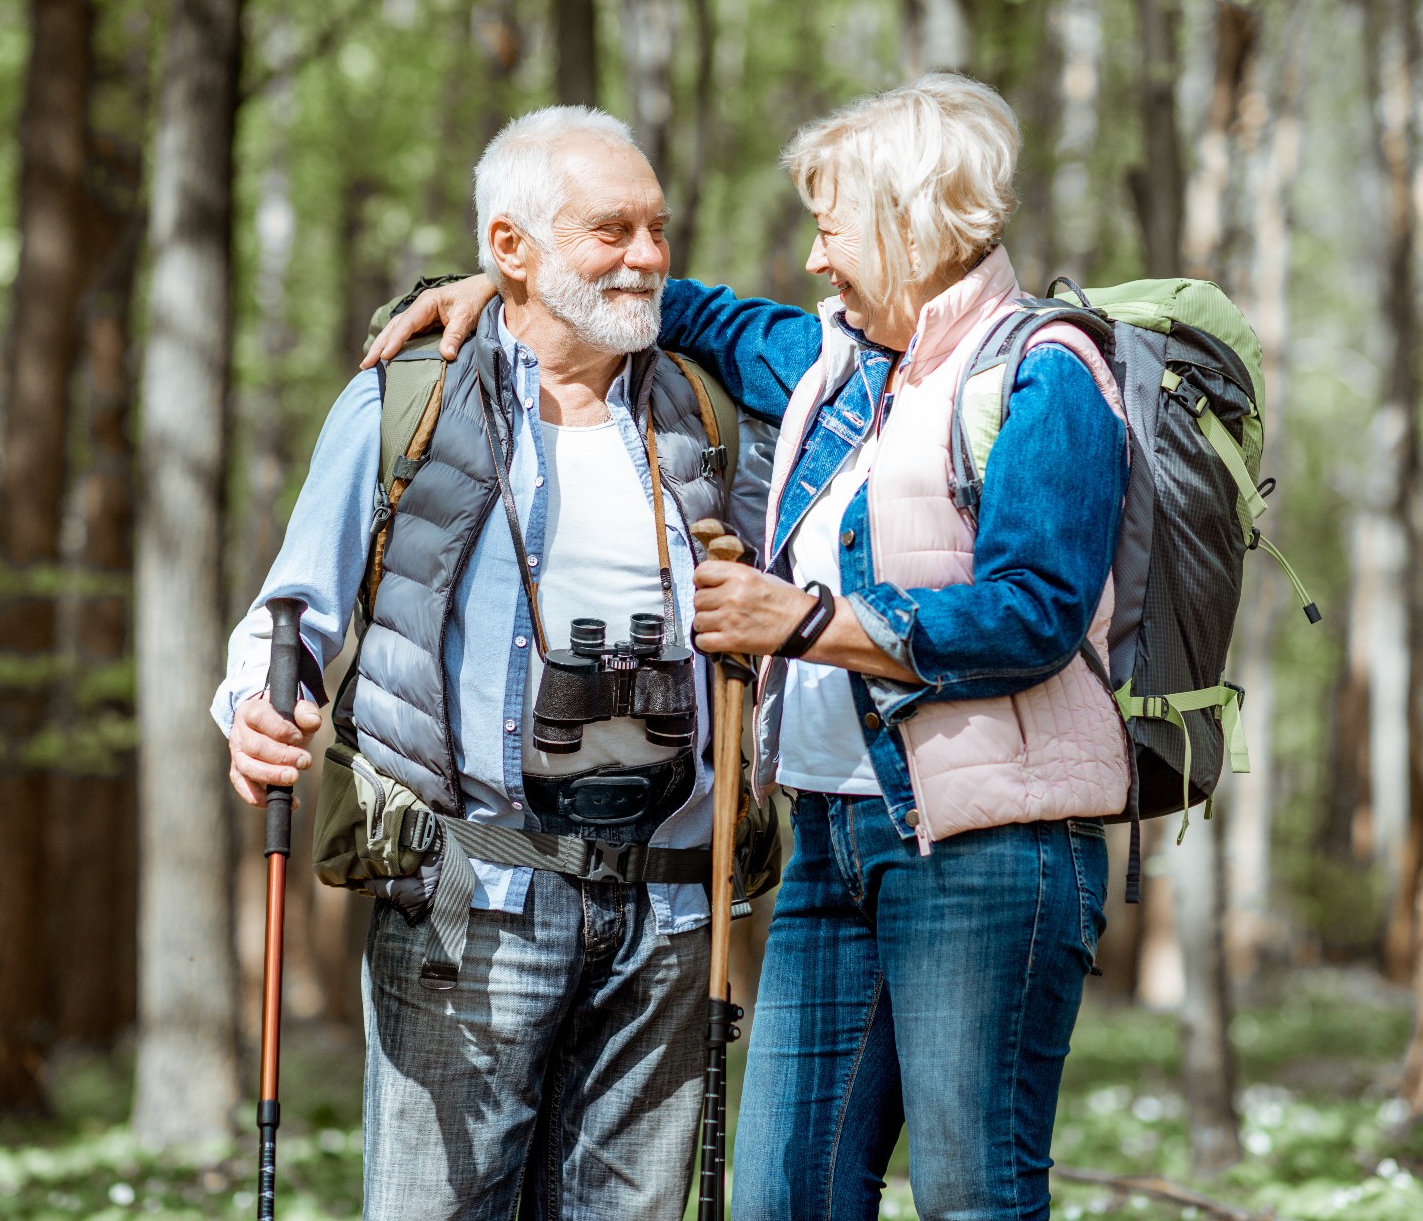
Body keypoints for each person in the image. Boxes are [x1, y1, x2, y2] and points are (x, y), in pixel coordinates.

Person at [366, 73, 1130, 1221]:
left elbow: (1034, 614)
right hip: (832, 837)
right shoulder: (836, 365)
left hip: (987, 852)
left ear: (907, 222)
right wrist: (506, 280)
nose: (818, 261)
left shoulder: (1044, 374)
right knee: (784, 1196)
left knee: (973, 1195)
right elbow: (673, 306)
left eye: (832, 228)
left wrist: (807, 621)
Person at [216, 105, 753, 1220]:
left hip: (664, 914)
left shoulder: (702, 410)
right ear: (509, 248)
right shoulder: (404, 402)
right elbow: (292, 610)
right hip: (475, 899)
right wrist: (254, 711)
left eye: (658, 228)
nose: (649, 256)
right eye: (613, 230)